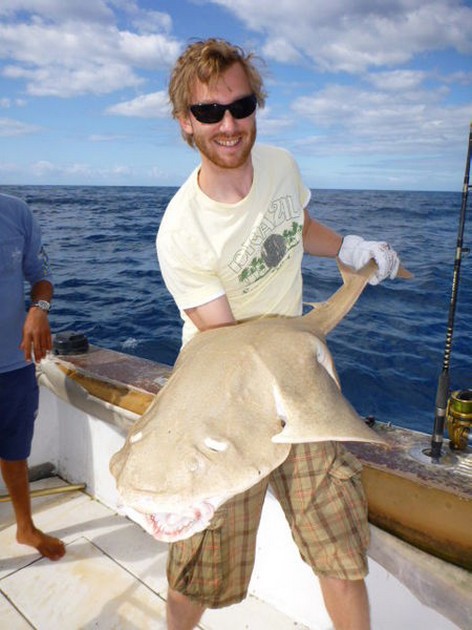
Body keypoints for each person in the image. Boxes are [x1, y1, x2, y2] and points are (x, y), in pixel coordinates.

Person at [156, 39, 402, 630]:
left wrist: (347, 248)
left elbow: (297, 225)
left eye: (241, 106)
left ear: (255, 106)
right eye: (210, 112)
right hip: (224, 398)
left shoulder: (282, 166)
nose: (230, 124)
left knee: (339, 547)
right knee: (199, 565)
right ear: (187, 123)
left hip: (299, 378)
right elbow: (230, 345)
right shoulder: (181, 231)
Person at [0, 192, 65, 561]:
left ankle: (25, 527)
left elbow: (41, 276)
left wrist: (39, 309)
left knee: (15, 452)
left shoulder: (16, 212)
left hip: (14, 362)